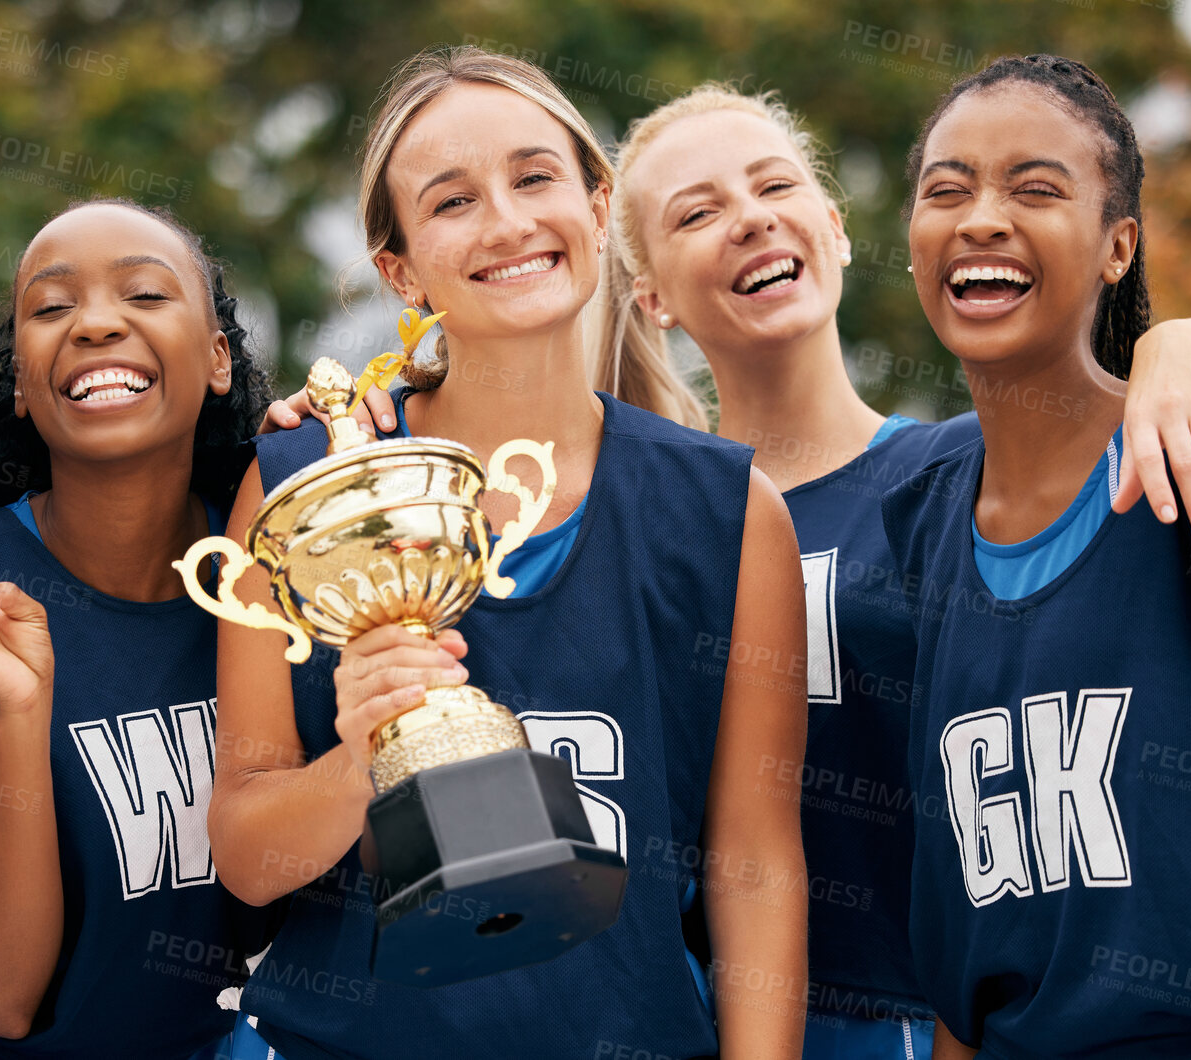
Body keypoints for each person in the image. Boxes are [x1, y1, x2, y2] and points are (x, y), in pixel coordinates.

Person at [597, 81, 1191, 1059]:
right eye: (697, 210)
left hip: (941, 1019)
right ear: (651, 299)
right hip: (731, 1023)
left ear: (836, 231)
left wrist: (1174, 341)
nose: (749, 218)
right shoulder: (654, 534)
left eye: (772, 184)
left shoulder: (960, 485)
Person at [207, 46, 811, 1060]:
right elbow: (247, 855)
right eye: (451, 202)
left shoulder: (729, 509)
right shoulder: (309, 482)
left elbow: (754, 865)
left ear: (595, 199)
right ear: (398, 270)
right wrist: (364, 757)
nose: (508, 222)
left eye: (534, 177)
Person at [881, 54, 1191, 1058]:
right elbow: (965, 929)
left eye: (1034, 188)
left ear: (1118, 247)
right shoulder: (919, 520)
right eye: (946, 190)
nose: (980, 217)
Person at [0, 198, 274, 1060]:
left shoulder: (279, 570)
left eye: (146, 296)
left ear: (218, 357)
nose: (95, 325)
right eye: (50, 308)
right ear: (19, 379)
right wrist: (20, 716)